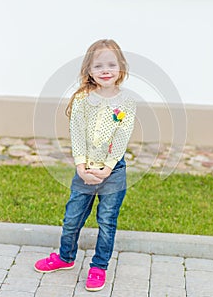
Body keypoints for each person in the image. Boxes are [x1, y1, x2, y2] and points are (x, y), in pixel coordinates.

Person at [34, 39, 136, 292]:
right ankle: (65, 257)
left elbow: (121, 136)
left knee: (106, 221)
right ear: (89, 70)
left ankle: (99, 266)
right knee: (72, 218)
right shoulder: (82, 99)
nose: (105, 69)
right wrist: (81, 166)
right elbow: (77, 133)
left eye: (111, 64)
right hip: (85, 167)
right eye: (98, 65)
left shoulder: (126, 102)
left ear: (121, 67)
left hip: (113, 171)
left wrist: (108, 168)